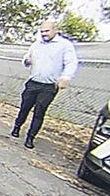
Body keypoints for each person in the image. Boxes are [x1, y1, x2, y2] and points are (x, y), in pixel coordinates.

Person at [12, 19, 78, 149]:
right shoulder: (36, 44)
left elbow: (71, 62)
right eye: (42, 31)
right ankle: (17, 127)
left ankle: (30, 137)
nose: (44, 34)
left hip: (49, 86)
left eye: (47, 31)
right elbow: (26, 58)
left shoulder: (64, 45)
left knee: (39, 112)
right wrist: (27, 60)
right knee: (24, 108)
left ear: (55, 30)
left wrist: (66, 77)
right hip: (33, 83)